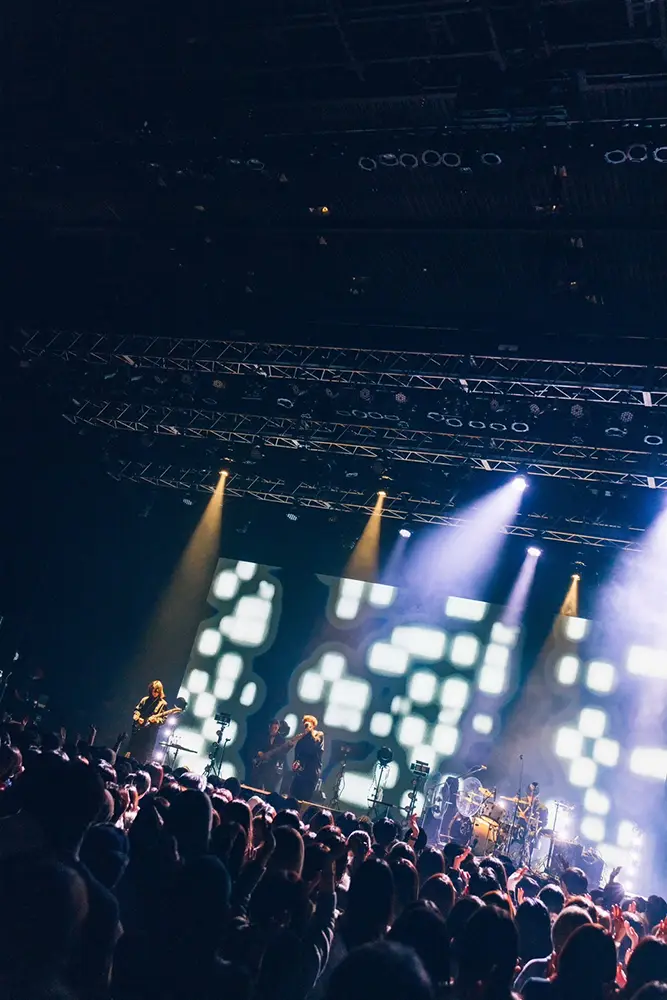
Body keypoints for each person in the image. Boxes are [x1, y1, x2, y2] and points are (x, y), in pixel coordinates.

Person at [126, 681, 167, 764]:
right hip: (138, 731)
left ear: (160, 691)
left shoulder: (163, 704)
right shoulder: (145, 699)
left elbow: (163, 720)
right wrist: (138, 718)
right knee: (132, 752)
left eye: (157, 691)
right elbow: (137, 710)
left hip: (150, 734)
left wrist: (156, 720)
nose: (154, 693)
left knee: (144, 755)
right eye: (153, 691)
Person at [290, 715, 324, 802]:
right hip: (300, 773)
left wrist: (310, 734)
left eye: (309, 723)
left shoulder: (318, 735)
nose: (307, 725)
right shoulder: (302, 738)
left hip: (310, 773)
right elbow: (298, 753)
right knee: (293, 795)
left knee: (304, 798)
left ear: (313, 725)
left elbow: (312, 749)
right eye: (305, 722)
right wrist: (296, 763)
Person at [252, 719, 286, 793]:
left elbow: (282, 755)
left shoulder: (281, 740)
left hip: (272, 768)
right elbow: (255, 747)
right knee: (257, 788)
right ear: (269, 727)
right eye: (272, 727)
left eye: (276, 728)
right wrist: (259, 753)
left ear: (278, 728)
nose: (274, 730)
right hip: (260, 767)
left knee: (269, 789)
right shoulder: (263, 736)